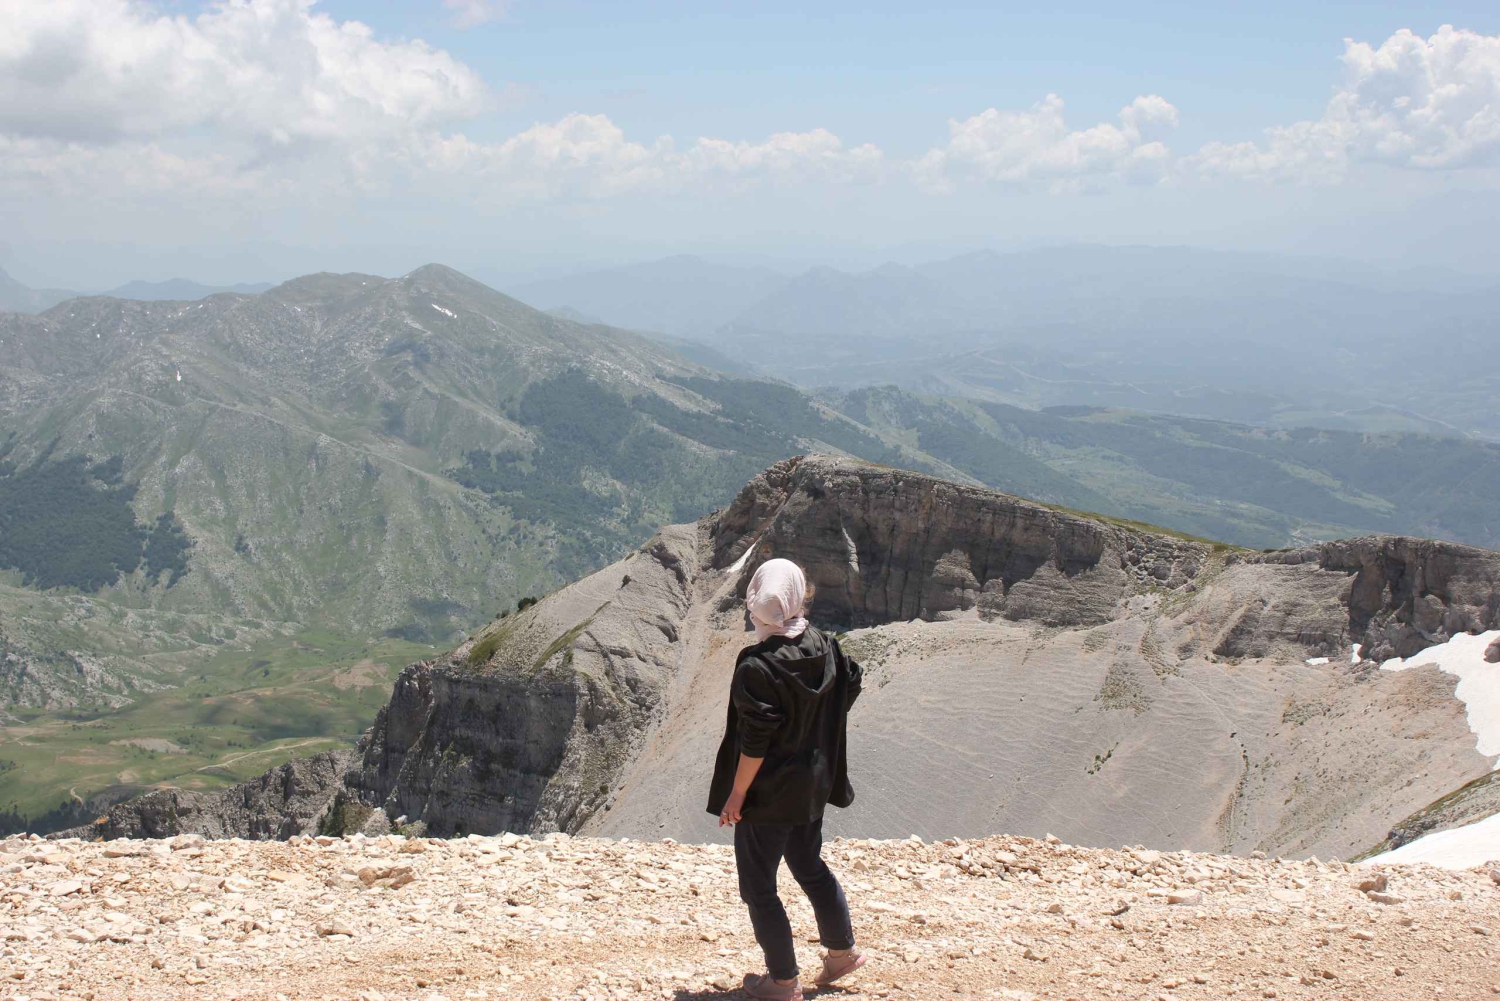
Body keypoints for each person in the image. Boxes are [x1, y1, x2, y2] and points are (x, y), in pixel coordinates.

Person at [707, 557, 866, 1000]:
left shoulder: (756, 665)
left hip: (769, 795)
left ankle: (782, 982)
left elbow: (754, 742)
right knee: (808, 865)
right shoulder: (824, 645)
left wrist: (736, 795)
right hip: (813, 785)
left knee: (759, 886)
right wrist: (815, 726)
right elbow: (850, 683)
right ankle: (841, 953)